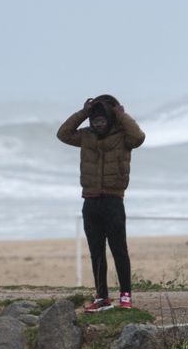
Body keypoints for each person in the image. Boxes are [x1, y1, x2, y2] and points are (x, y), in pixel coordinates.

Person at [57, 94, 145, 311]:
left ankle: (126, 295)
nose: (98, 125)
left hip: (113, 201)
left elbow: (139, 137)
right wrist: (83, 112)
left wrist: (121, 115)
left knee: (119, 250)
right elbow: (63, 134)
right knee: (96, 251)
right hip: (90, 201)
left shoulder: (124, 136)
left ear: (110, 119)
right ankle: (102, 297)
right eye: (94, 121)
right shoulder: (85, 136)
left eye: (102, 121)